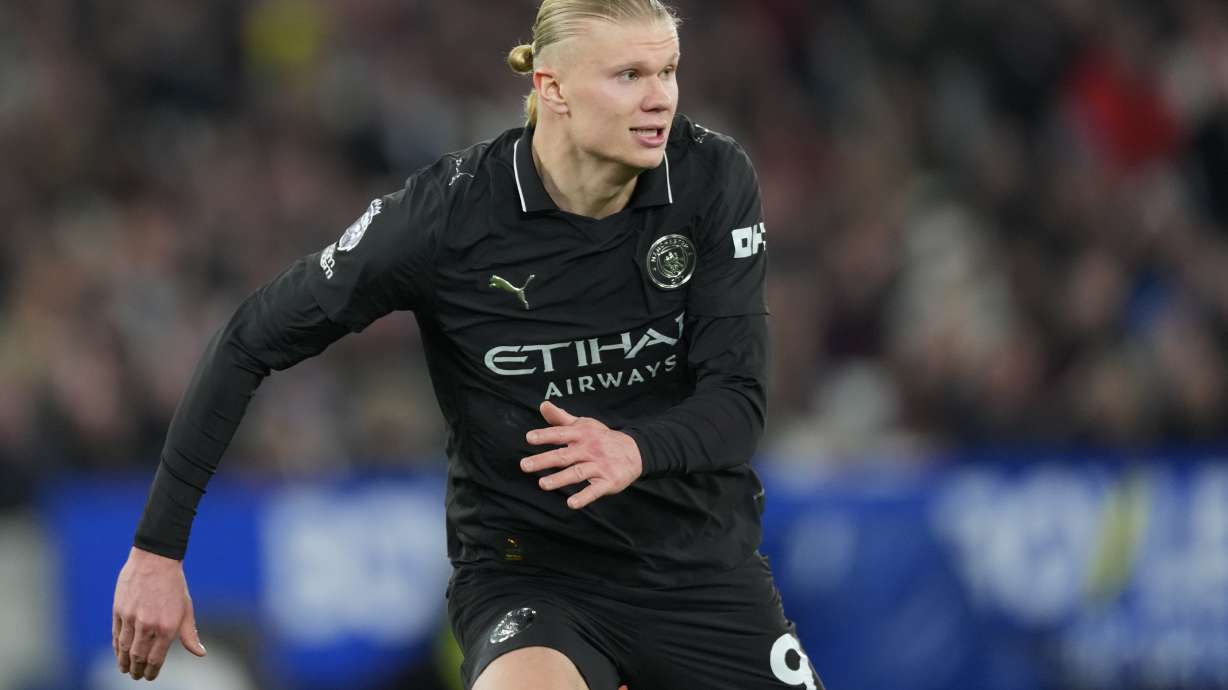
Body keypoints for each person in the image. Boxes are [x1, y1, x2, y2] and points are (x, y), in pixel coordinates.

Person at [111, 1, 824, 688]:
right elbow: (249, 339)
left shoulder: (710, 178)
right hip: (533, 576)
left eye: (667, 71)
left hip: (698, 568)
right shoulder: (448, 216)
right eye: (629, 76)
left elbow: (738, 404)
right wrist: (156, 549)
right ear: (553, 89)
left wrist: (633, 449)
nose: (660, 98)